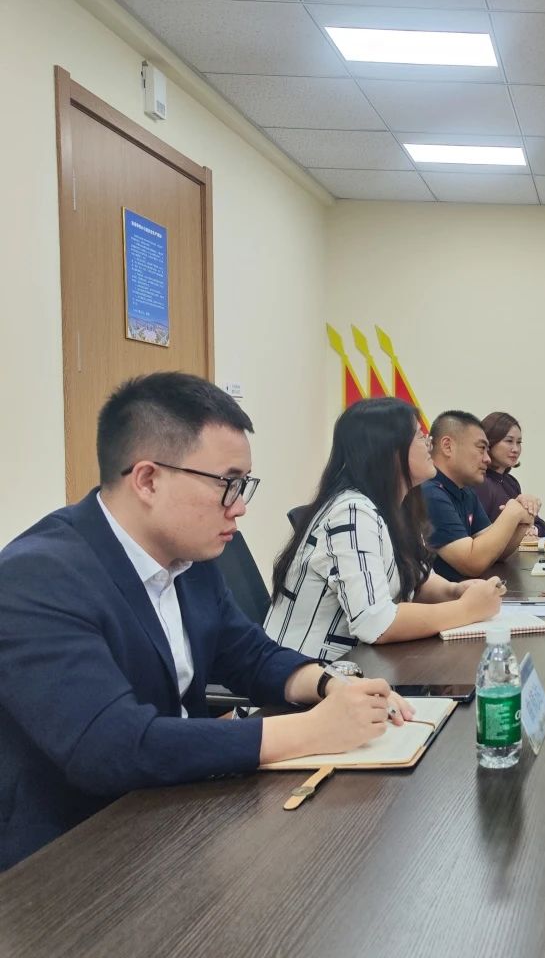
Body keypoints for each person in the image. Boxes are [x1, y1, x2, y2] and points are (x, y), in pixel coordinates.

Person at [0, 373, 409, 870]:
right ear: (148, 480)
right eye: (227, 484)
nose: (240, 507)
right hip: (70, 855)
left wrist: (331, 686)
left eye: (244, 485)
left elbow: (250, 654)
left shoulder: (188, 558)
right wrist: (314, 731)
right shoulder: (37, 576)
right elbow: (111, 747)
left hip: (174, 814)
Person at [265, 398, 504, 662]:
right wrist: (466, 609)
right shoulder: (352, 511)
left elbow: (416, 578)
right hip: (308, 674)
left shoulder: (397, 507)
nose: (429, 445)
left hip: (362, 665)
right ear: (389, 449)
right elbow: (376, 622)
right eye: (419, 436)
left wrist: (454, 591)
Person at [423, 409, 535, 582]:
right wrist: (512, 512)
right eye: (481, 448)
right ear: (447, 446)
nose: (487, 459)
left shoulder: (465, 490)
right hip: (441, 597)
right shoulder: (430, 493)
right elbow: (472, 562)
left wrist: (524, 518)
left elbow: (495, 552)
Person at [476, 411, 545, 538]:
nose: (515, 449)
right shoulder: (480, 482)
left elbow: (541, 525)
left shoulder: (511, 482)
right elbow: (481, 532)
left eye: (519, 442)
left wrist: (532, 529)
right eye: (509, 441)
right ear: (489, 443)